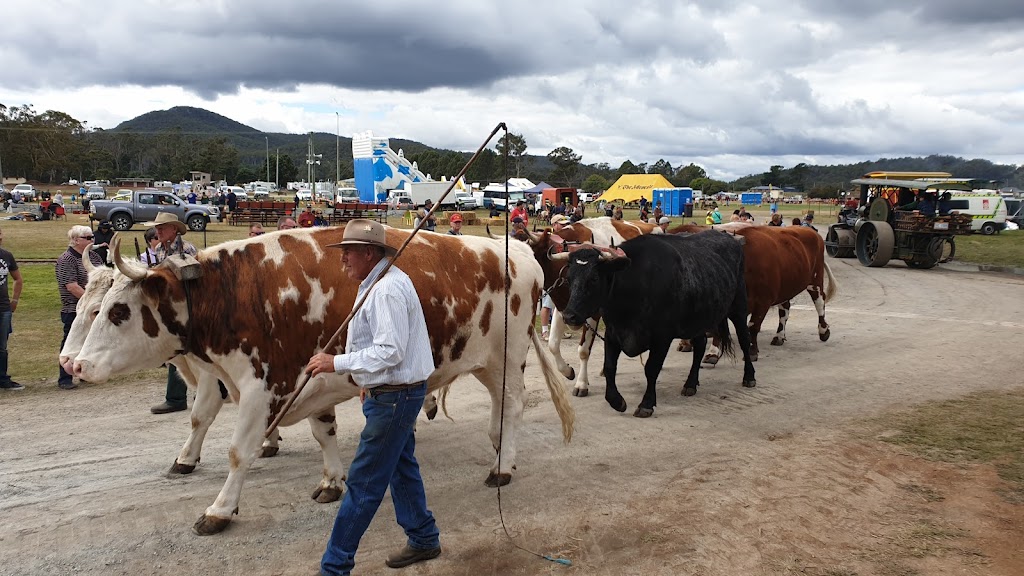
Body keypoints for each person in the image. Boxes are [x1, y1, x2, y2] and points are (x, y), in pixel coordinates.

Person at [305, 219, 440, 576]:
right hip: (392, 392)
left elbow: (390, 350)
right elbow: (389, 351)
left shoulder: (386, 290)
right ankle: (424, 536)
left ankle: (334, 568)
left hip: (395, 398)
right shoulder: (379, 282)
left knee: (364, 485)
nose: (343, 259)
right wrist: (369, 377)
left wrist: (338, 362)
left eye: (347, 252)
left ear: (369, 253)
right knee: (400, 464)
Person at [143, 213, 198, 414]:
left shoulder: (187, 249)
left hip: (188, 306)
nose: (158, 231)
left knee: (191, 351)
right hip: (170, 307)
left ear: (174, 229)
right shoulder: (158, 250)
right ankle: (177, 397)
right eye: (157, 228)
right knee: (176, 352)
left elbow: (195, 279)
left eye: (162, 227)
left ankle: (186, 397)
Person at [56, 226, 104, 390]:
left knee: (89, 343)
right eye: (88, 237)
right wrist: (91, 302)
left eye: (92, 237)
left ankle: (85, 373)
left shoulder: (95, 257)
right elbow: (71, 286)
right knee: (71, 341)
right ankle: (65, 378)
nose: (92, 239)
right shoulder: (66, 259)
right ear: (76, 240)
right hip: (73, 308)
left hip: (95, 308)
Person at [0, 227, 24, 391]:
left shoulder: (6, 255)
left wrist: (14, 300)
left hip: (3, 308)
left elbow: (18, 279)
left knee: (2, 346)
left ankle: (3, 378)